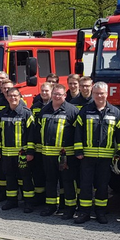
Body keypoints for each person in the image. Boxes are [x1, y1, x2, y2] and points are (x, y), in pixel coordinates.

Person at [73, 81, 120, 224]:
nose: (99, 96)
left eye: (102, 93)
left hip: (105, 158)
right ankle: (84, 213)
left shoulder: (115, 112)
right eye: (96, 93)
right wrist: (78, 150)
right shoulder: (85, 110)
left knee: (102, 186)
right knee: (85, 185)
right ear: (93, 94)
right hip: (87, 156)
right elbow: (78, 132)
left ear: (107, 94)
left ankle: (100, 213)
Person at [37, 84, 78, 219]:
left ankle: (69, 208)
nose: (57, 96)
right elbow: (39, 129)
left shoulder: (72, 110)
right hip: (48, 154)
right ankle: (51, 206)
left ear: (65, 95)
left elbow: (78, 133)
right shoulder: (44, 110)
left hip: (65, 155)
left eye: (60, 94)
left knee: (67, 181)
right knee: (50, 181)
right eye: (55, 93)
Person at [0, 87, 36, 212]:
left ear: (19, 97)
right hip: (7, 154)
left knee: (26, 178)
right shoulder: (2, 113)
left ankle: (28, 203)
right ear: (6, 97)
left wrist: (30, 152)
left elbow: (31, 134)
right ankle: (12, 201)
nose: (12, 98)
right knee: (10, 178)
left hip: (22, 154)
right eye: (10, 96)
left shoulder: (26, 113)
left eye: (15, 96)